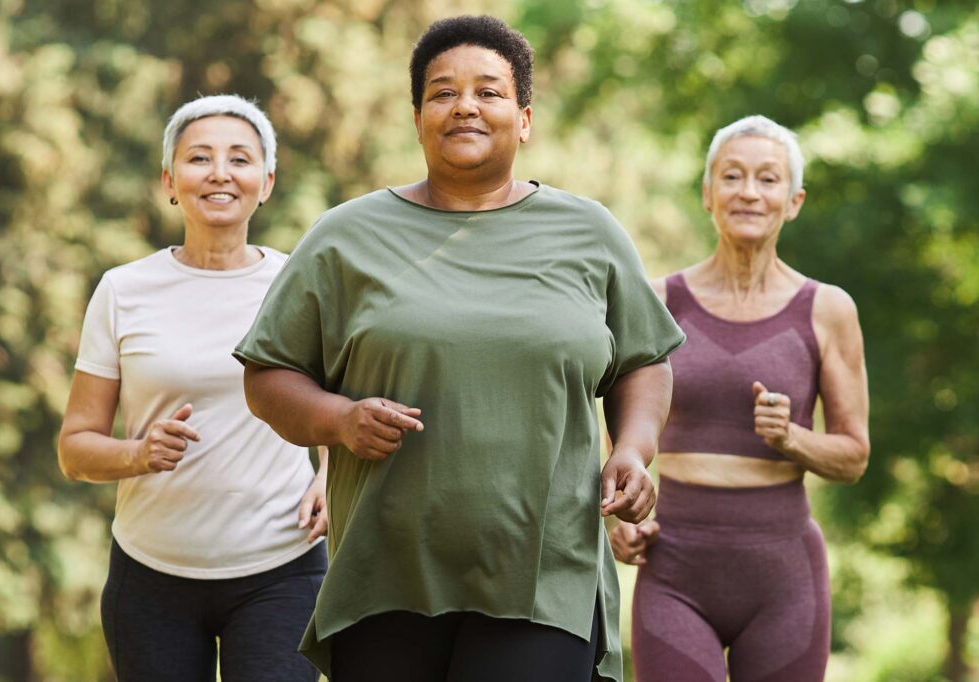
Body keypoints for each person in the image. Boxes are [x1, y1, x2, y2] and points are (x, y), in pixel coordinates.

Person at [233, 15, 685, 682]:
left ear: (524, 119)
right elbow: (269, 376)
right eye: (442, 93)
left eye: (489, 91)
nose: (465, 105)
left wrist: (632, 448)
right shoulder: (345, 237)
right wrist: (339, 420)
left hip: (545, 578)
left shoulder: (589, 233)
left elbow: (642, 360)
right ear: (417, 118)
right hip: (383, 579)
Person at [57, 94, 328, 682]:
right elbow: (75, 448)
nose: (220, 173)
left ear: (268, 181)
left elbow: (334, 402)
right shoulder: (124, 290)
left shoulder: (299, 283)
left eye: (240, 158)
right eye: (199, 158)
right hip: (151, 576)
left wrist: (331, 475)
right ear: (170, 181)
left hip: (283, 568)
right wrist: (138, 452)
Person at [611, 115, 870, 682]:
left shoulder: (828, 309)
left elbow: (854, 456)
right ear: (708, 195)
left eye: (768, 179)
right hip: (674, 569)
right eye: (731, 176)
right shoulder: (657, 300)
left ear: (794, 200)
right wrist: (612, 520)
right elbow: (611, 434)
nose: (749, 192)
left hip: (785, 579)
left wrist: (791, 438)